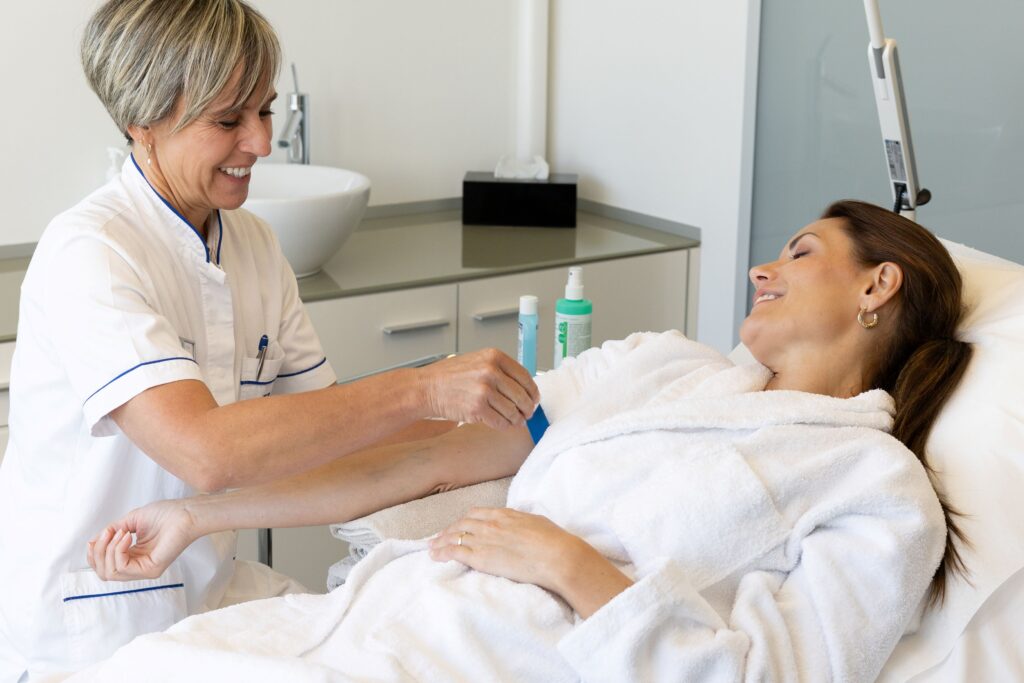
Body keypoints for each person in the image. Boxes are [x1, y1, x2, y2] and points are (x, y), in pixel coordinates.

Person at [71, 200, 972, 682]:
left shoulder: (875, 486)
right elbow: (426, 456)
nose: (761, 267)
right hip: (389, 621)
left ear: (877, 284)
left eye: (802, 251)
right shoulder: (662, 368)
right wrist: (196, 512)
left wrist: (570, 563)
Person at [0, 0, 539, 680]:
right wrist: (426, 385)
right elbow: (208, 451)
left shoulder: (251, 243)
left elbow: (341, 436)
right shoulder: (92, 253)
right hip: (89, 624)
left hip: (209, 594)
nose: (261, 141)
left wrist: (499, 440)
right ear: (142, 123)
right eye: (229, 119)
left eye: (265, 110)